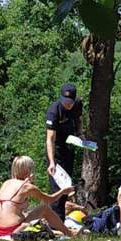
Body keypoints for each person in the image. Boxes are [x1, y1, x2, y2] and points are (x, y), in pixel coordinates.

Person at [0, 156, 76, 238]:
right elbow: (50, 200)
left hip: (0, 230)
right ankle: (69, 233)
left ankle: (66, 232)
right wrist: (62, 191)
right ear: (28, 170)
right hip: (13, 230)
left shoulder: (6, 183)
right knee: (44, 208)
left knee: (31, 213)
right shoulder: (27, 187)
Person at [46, 83, 83, 221]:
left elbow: (79, 119)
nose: (68, 104)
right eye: (65, 101)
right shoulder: (54, 111)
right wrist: (51, 162)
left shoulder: (78, 104)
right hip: (55, 152)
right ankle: (55, 222)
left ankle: (60, 220)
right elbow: (50, 139)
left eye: (70, 102)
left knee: (66, 186)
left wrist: (80, 134)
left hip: (69, 148)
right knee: (57, 189)